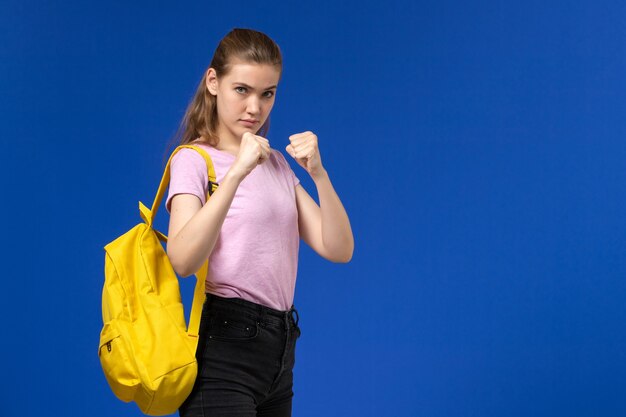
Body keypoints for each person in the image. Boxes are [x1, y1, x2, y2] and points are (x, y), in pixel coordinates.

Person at [165, 28, 354, 417]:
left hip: (280, 350)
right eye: (242, 90)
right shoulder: (193, 159)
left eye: (267, 93)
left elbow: (339, 249)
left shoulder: (277, 165)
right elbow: (181, 260)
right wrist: (235, 175)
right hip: (224, 349)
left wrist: (319, 174)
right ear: (213, 82)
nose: (255, 107)